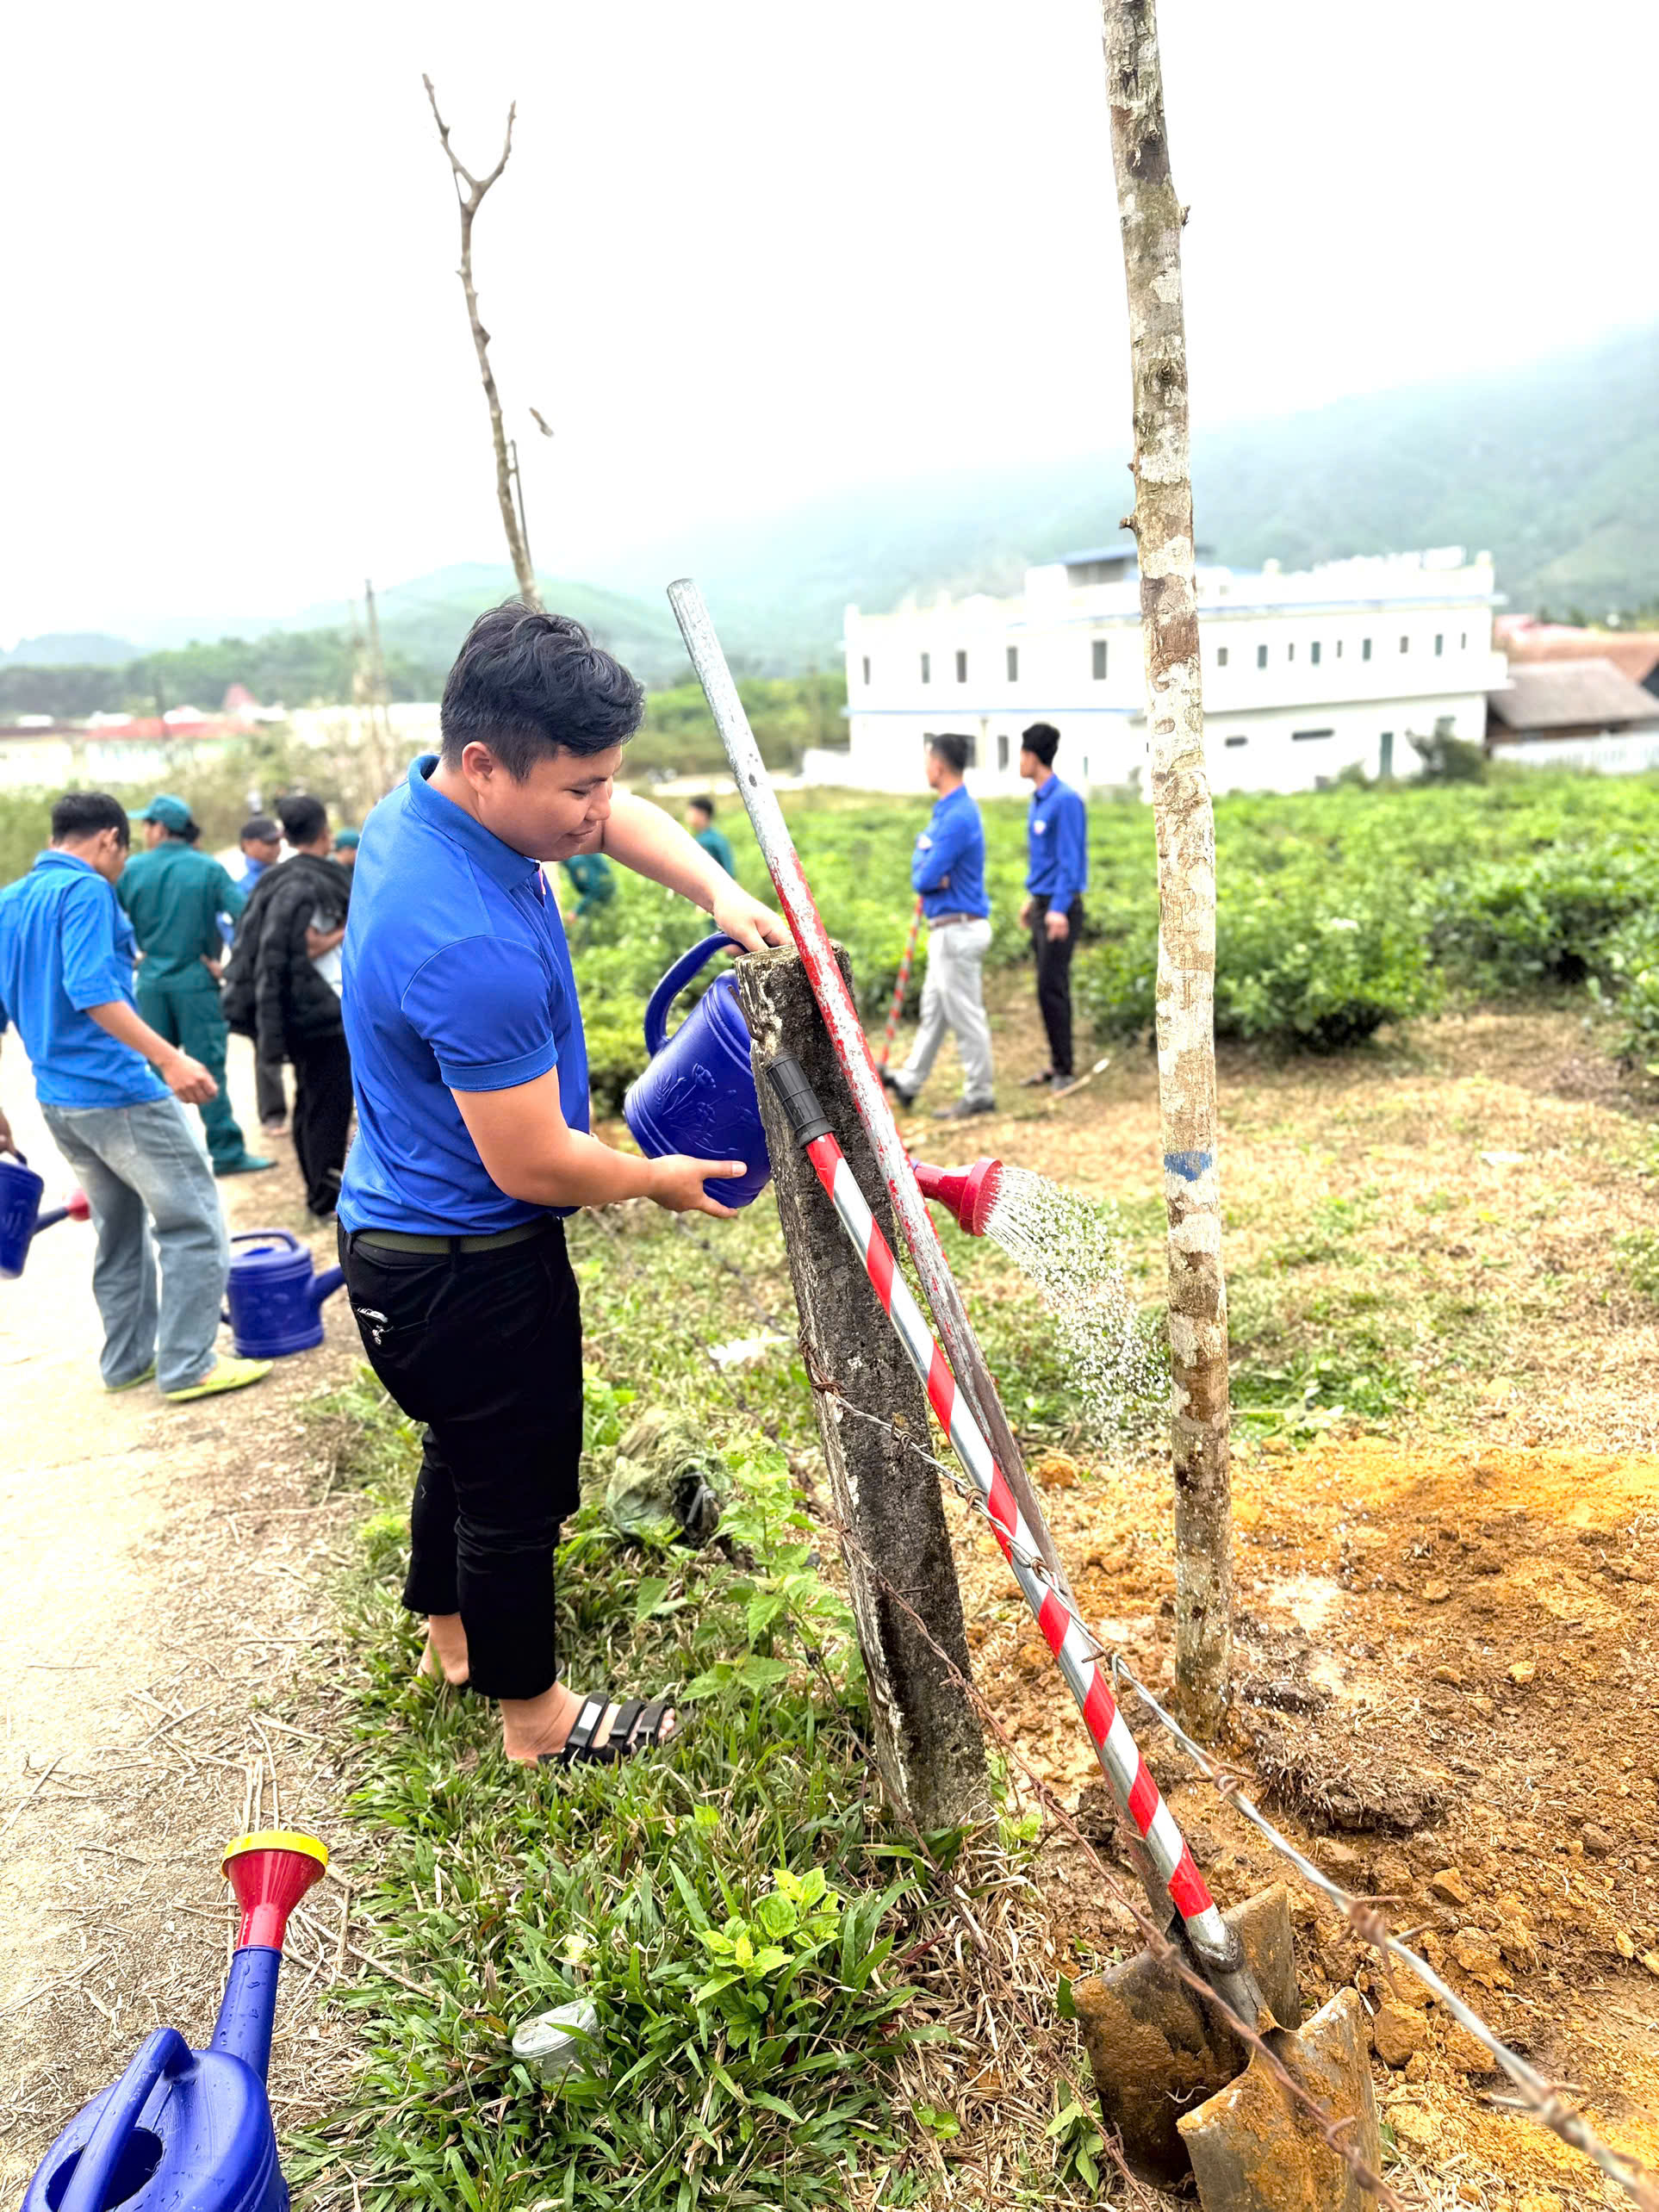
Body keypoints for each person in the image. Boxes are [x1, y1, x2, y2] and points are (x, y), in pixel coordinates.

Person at [337, 605, 787, 1769]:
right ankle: (533, 1720)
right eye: (578, 789)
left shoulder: (426, 807)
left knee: (459, 1444)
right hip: (469, 1266)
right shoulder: (463, 940)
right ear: (486, 765)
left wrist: (718, 897)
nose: (598, 812)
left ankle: (452, 1638)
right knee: (514, 1489)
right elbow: (534, 1159)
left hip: (399, 1238)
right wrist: (656, 1178)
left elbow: (609, 815)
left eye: (608, 781)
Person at [0, 792, 270, 1401]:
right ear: (108, 840)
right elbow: (92, 987)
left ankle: (126, 1360)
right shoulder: (87, 891)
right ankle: (188, 1363)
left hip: (61, 1104)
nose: (120, 867)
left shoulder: (9, 901)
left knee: (118, 1231)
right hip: (116, 1091)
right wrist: (169, 1057)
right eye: (121, 855)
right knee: (194, 1220)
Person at [117, 794, 273, 1177]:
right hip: (196, 980)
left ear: (160, 827)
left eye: (147, 825)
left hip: (150, 982)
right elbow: (246, 919)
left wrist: (136, 954)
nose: (144, 832)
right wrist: (231, 966)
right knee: (207, 1069)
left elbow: (112, 923)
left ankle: (160, 1159)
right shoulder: (207, 868)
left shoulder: (131, 869)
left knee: (156, 1069)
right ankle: (226, 1152)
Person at [233, 795, 353, 1220]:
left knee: (310, 1102)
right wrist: (344, 929)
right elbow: (308, 943)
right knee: (328, 1109)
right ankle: (323, 1199)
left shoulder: (275, 879)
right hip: (324, 1016)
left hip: (294, 1013)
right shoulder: (317, 881)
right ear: (325, 833)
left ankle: (317, 1192)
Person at [881, 734, 995, 1121]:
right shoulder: (945, 811)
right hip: (946, 928)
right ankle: (910, 1082)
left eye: (928, 759)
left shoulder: (959, 815)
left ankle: (980, 1093)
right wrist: (928, 871)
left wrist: (929, 873)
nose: (926, 766)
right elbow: (925, 870)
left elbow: (924, 875)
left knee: (965, 1012)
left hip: (958, 929)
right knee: (934, 1009)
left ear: (939, 764)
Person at [1017, 723, 1089, 1097]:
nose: (1019, 761)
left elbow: (1070, 861)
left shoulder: (1065, 800)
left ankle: (1065, 1068)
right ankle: (1056, 1062)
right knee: (1045, 988)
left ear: (1032, 756)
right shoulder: (1040, 799)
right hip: (1044, 903)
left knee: (1053, 986)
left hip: (1061, 908)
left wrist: (1058, 909)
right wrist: (1035, 900)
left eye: (1021, 754)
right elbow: (1045, 860)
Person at [227, 816, 288, 1134]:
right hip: (256, 974)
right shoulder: (240, 889)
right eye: (268, 842)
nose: (275, 847)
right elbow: (230, 930)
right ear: (247, 846)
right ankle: (273, 1113)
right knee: (266, 1042)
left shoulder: (288, 876)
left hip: (289, 970)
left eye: (277, 841)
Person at [686, 794, 736, 876]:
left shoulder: (705, 842)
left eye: (691, 812)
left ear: (702, 814)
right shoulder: (717, 837)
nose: (687, 816)